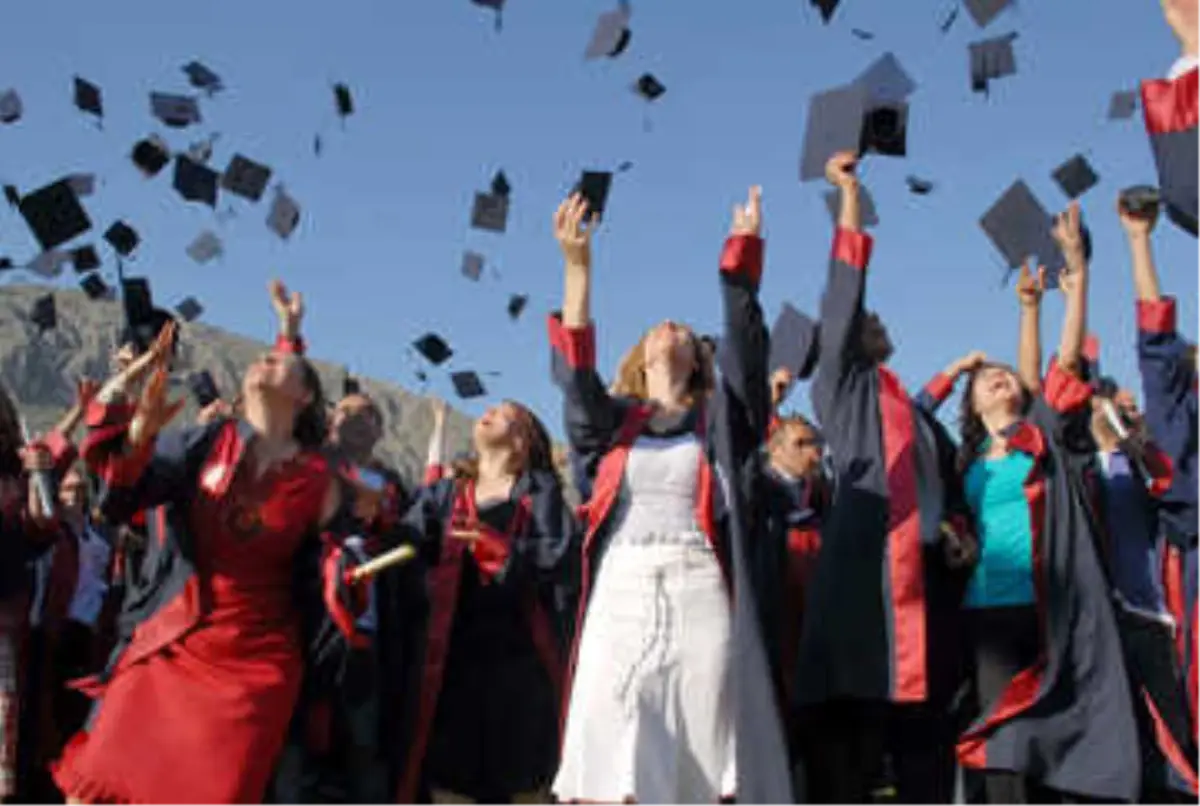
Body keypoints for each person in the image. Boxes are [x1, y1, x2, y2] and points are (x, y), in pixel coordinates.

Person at [52, 320, 367, 805]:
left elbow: (341, 562)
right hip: (173, 641)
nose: (265, 358)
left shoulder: (323, 479)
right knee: (93, 791)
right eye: (263, 355)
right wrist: (134, 417)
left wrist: (342, 570)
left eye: (281, 360)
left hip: (253, 670)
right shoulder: (206, 442)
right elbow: (119, 497)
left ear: (305, 396)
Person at [548, 185, 786, 805]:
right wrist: (577, 268)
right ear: (641, 355)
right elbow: (576, 380)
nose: (670, 328)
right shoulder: (611, 426)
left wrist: (741, 263)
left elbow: (749, 359)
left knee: (702, 735)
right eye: (658, 326)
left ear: (698, 358)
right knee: (618, 724)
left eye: (682, 327)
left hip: (700, 582)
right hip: (621, 585)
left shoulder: (721, 426)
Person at [796, 152, 974, 806]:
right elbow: (844, 296)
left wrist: (957, 530)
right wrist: (848, 197)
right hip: (869, 580)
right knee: (862, 738)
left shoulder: (918, 417)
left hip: (931, 580)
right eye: (860, 322)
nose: (874, 321)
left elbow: (950, 489)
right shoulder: (844, 390)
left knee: (929, 735)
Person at [953, 205, 1141, 805]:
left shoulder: (1042, 441)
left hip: (1049, 601)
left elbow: (1056, 367)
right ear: (972, 403)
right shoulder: (967, 462)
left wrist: (1072, 277)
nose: (999, 378)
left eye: (1007, 375)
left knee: (1059, 721)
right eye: (987, 378)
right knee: (1003, 737)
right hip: (988, 609)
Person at [392, 396, 577, 806]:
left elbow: (561, 563)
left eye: (506, 412)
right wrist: (379, 522)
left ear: (522, 441)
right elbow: (408, 545)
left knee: (522, 783)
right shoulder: (446, 493)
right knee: (450, 782)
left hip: (521, 671)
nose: (489, 412)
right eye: (489, 409)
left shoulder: (541, 496)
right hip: (452, 666)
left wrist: (506, 555)